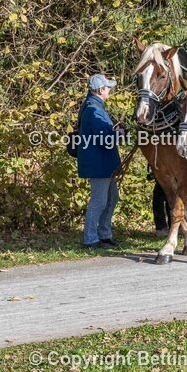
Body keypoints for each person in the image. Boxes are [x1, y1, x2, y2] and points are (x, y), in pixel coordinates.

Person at [77, 73, 126, 249]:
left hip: (103, 163)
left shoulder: (94, 106)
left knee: (112, 198)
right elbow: (105, 139)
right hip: (99, 164)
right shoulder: (93, 109)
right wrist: (119, 133)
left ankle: (104, 235)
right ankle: (90, 239)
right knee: (99, 201)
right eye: (108, 88)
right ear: (100, 89)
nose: (110, 90)